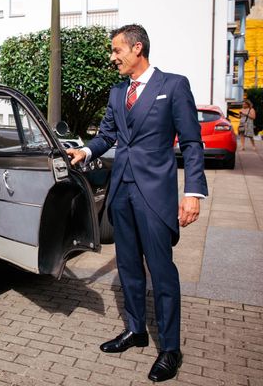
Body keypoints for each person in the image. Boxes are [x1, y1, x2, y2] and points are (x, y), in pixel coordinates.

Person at [67, 24, 207, 382]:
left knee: (161, 272)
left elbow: (191, 143)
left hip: (155, 194)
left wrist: (193, 192)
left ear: (137, 48)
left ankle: (170, 349)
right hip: (121, 193)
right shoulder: (117, 92)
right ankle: (135, 330)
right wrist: (85, 150)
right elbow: (108, 135)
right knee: (128, 267)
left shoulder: (173, 86)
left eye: (117, 51)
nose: (113, 58)